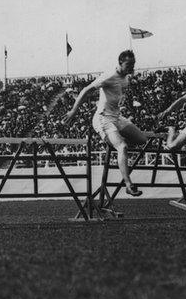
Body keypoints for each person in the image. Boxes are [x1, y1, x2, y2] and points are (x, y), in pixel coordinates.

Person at [62, 50, 147, 196]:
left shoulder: (126, 77)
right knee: (123, 146)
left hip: (117, 117)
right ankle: (128, 184)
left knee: (142, 139)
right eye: (128, 64)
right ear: (120, 63)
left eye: (133, 64)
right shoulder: (108, 76)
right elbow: (86, 90)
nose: (131, 67)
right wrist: (73, 111)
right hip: (103, 118)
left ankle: (113, 142)